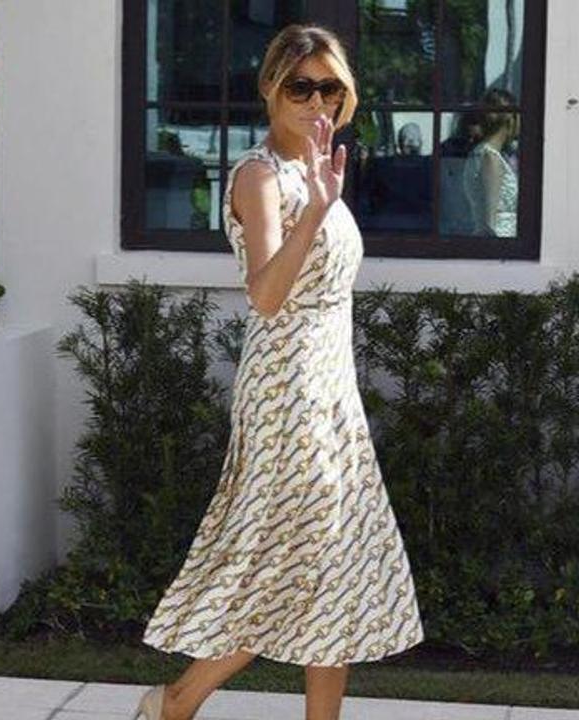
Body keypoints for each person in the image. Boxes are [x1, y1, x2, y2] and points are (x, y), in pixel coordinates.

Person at [136, 25, 423, 720]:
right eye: (301, 85)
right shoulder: (258, 176)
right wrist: (317, 209)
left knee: (339, 569)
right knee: (284, 566)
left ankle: (181, 706)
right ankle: (176, 702)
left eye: (330, 86)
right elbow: (265, 295)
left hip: (331, 393)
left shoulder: (320, 167)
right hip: (285, 395)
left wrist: (323, 195)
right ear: (271, 88)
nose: (316, 99)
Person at [463, 88, 520, 238]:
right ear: (510, 120)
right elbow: (490, 223)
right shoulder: (490, 158)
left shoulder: (482, 152)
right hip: (501, 242)